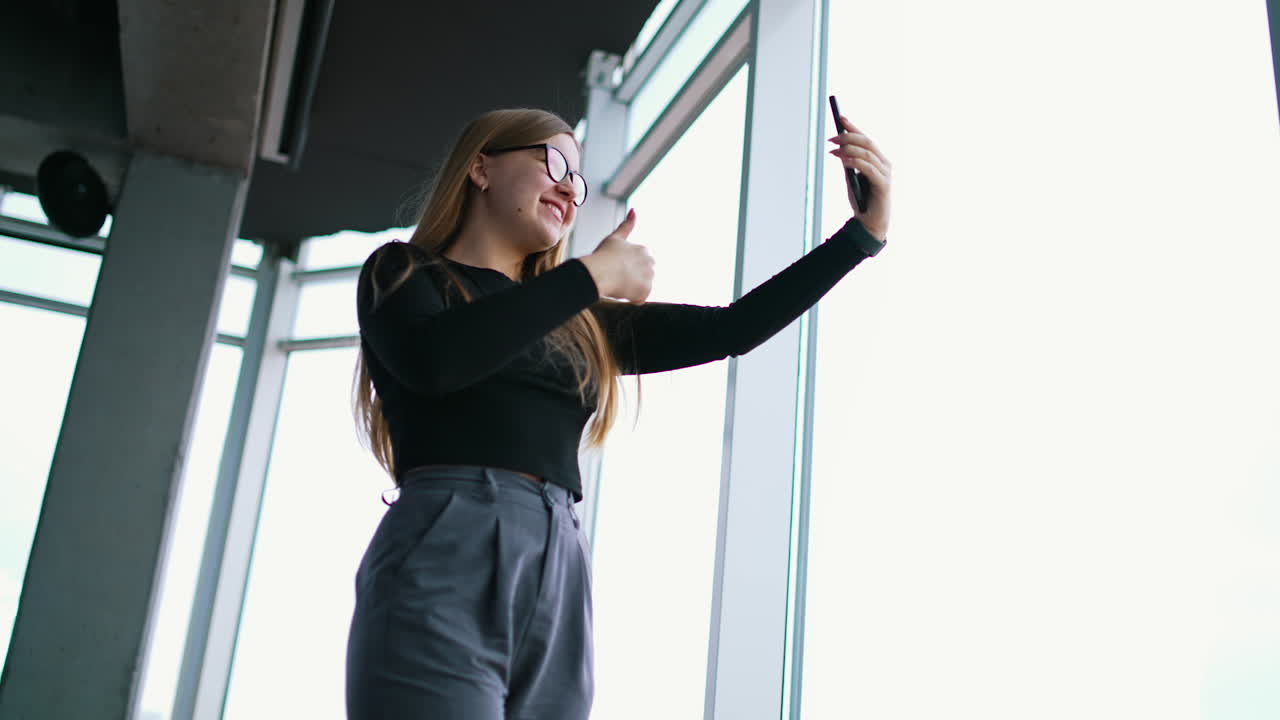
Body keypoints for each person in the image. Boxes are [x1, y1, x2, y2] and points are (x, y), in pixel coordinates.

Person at [345, 107, 892, 720]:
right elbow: (436, 361)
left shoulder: (577, 324)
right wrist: (590, 275)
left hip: (559, 559)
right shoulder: (403, 272)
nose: (568, 191)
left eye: (577, 181)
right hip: (449, 538)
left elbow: (732, 328)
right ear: (481, 167)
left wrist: (860, 237)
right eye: (554, 163)